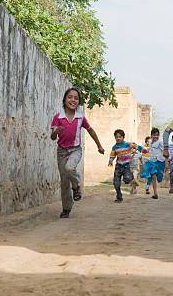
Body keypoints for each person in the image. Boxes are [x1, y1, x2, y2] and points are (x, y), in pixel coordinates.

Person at [50, 87, 105, 218]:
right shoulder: (58, 117)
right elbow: (52, 137)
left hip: (75, 150)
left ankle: (76, 185)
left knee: (69, 168)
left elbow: (91, 130)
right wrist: (56, 132)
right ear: (64, 100)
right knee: (64, 181)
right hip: (62, 152)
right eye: (70, 97)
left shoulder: (80, 118)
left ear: (78, 102)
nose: (73, 100)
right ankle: (66, 208)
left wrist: (99, 145)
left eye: (76, 98)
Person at [108, 129, 147, 202]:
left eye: (120, 137)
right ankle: (119, 197)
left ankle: (131, 177)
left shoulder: (127, 144)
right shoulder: (115, 147)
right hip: (118, 166)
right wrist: (110, 161)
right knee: (116, 183)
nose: (118, 138)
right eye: (116, 137)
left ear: (123, 137)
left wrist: (143, 150)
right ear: (115, 138)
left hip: (126, 166)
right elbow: (112, 155)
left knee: (127, 179)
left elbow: (136, 146)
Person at [141, 127, 166, 199]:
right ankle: (155, 193)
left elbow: (164, 151)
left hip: (160, 162)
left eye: (157, 135)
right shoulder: (151, 143)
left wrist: (167, 161)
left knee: (159, 178)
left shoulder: (160, 142)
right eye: (154, 135)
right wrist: (145, 150)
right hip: (152, 162)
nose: (156, 136)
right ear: (151, 135)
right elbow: (149, 150)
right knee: (153, 176)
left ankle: (160, 176)